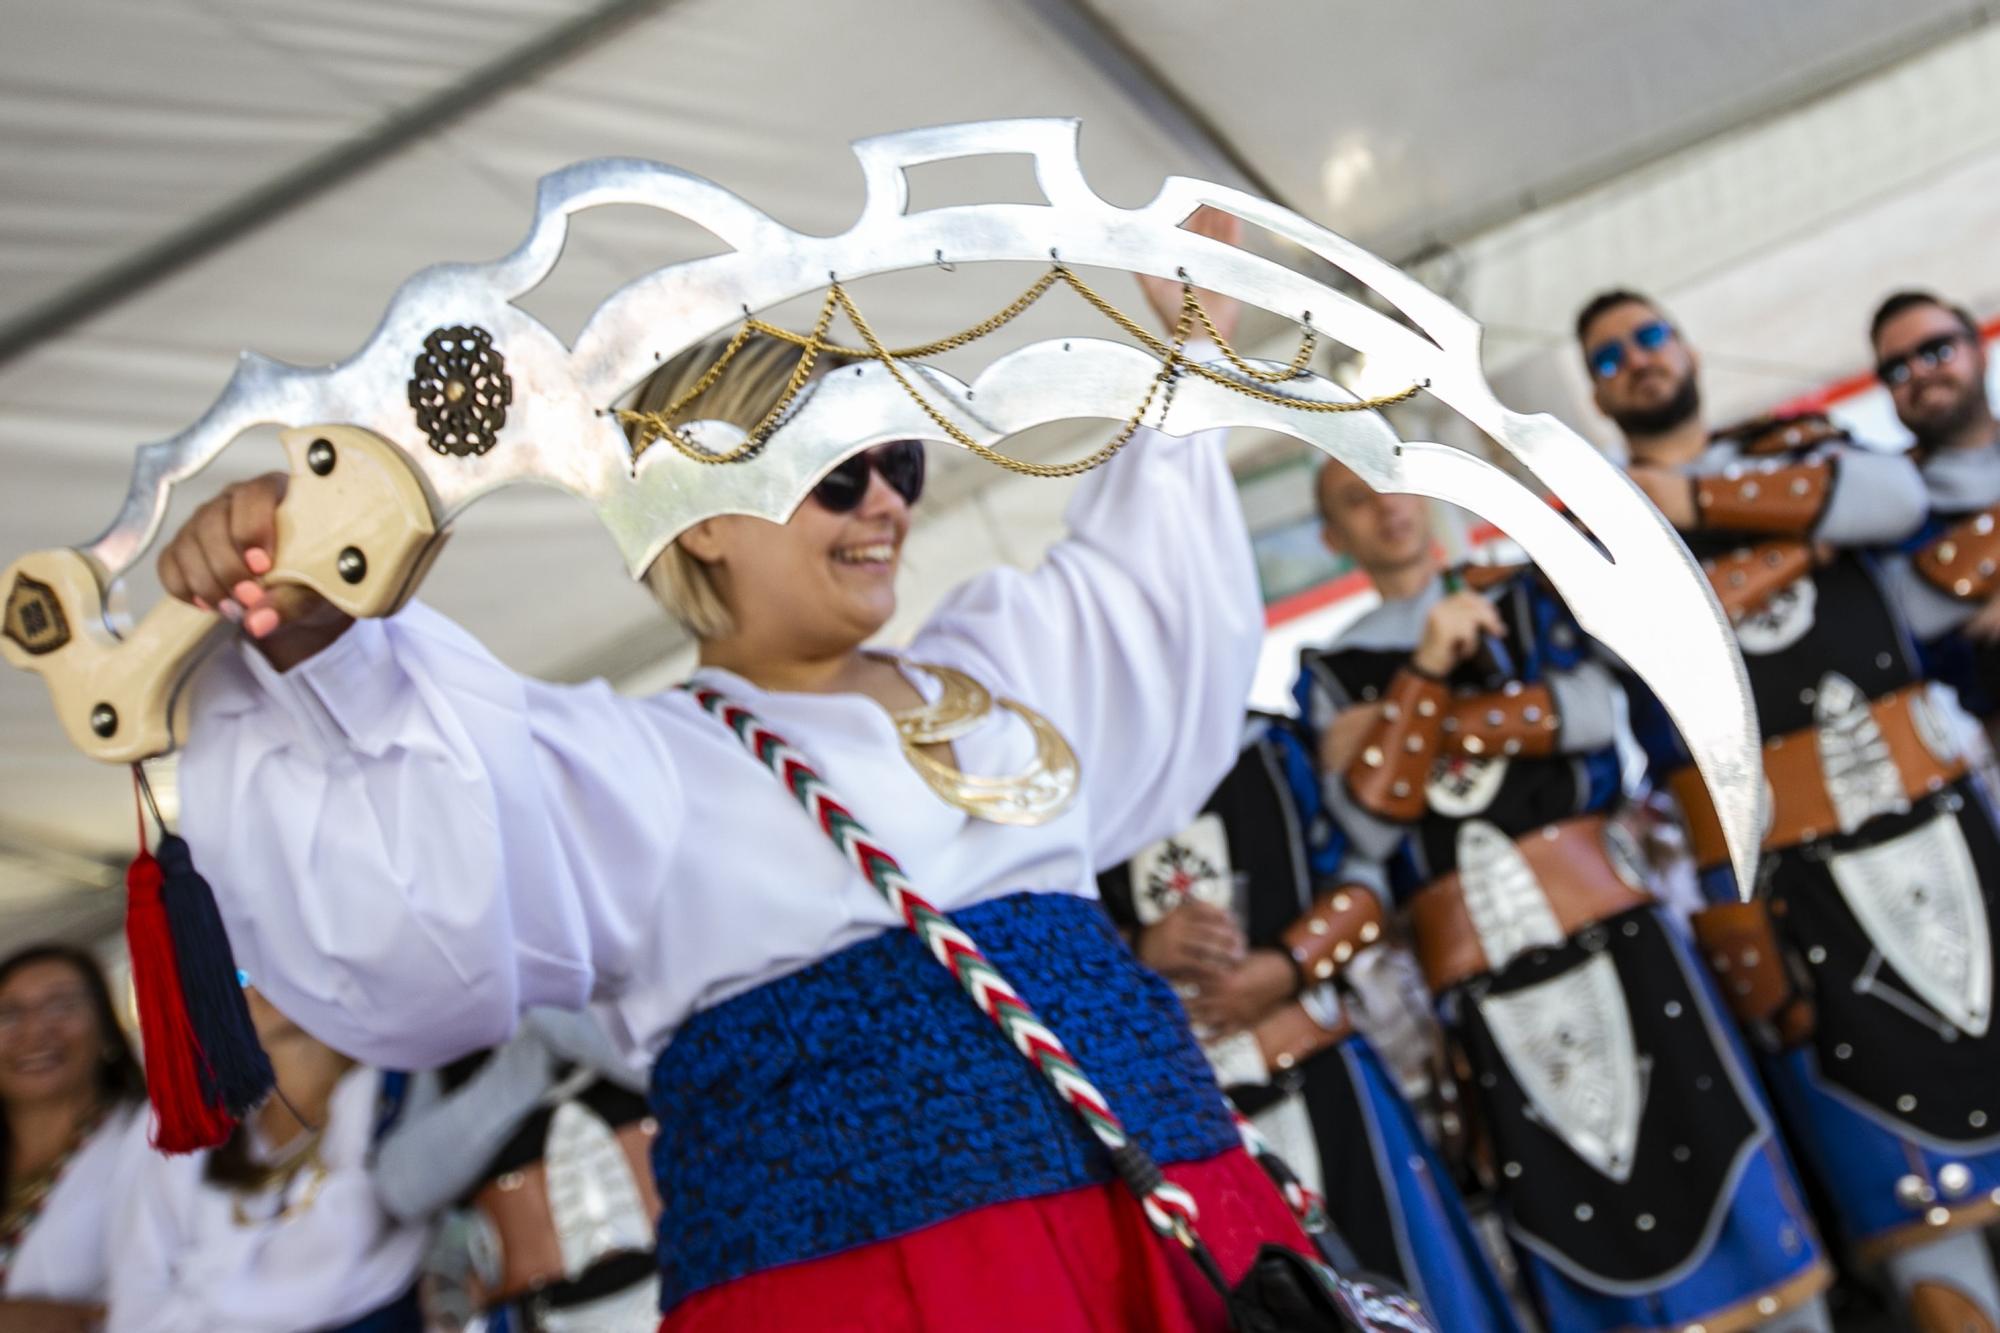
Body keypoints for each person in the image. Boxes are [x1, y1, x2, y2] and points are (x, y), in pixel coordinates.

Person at [155, 209, 1317, 1331]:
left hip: (1170, 1236)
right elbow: (431, 815)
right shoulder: (644, 770)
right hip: (873, 1299)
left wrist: (1189, 344)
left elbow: (1149, 577)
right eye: (833, 471)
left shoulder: (1007, 666)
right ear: (702, 513)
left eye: (895, 459)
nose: (882, 503)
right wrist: (313, 623)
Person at [1299, 457, 1835, 1331]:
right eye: (1354, 501)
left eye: (1387, 483)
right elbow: (1360, 833)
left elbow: (1594, 714)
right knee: (1570, 1200)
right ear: (1333, 539)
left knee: (1714, 1141)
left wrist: (1405, 727)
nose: (1385, 507)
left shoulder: (1518, 593)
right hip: (1480, 981)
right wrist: (1430, 668)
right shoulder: (1331, 667)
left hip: (1619, 931)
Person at [1579, 289, 2000, 1329]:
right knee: (1911, 1211)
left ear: (1683, 346)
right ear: (1593, 390)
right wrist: (1797, 543)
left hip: (1937, 828)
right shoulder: (1590, 522)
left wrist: (1702, 505)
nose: (1636, 359)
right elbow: (1609, 652)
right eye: (1608, 355)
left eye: (1647, 335)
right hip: (1775, 891)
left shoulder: (1801, 442)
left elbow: (1890, 503)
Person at [1098, 712, 1525, 1331]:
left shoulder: (1272, 747)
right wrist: (1135, 948)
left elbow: (1367, 879)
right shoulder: (1068, 780)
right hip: (1192, 1116)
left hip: (1326, 1077)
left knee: (1411, 1289)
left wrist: (1290, 964)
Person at [108, 989, 431, 1332]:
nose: (264, 982)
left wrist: (205, 1296)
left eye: (281, 949)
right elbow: (139, 1300)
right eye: (239, 974)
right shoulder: (184, 1120)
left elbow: (346, 1253)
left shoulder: (393, 1086)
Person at [372, 1007, 659, 1330]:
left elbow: (706, 1074)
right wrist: (523, 1066)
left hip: (686, 1278)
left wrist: (568, 1024)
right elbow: (401, 1188)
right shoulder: (436, 1025)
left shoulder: (624, 973)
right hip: (544, 1312)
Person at [1869, 291, 2000, 719]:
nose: (1920, 373)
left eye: (1936, 350)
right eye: (1896, 369)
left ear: (1979, 349)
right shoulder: (1889, 513)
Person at [0, 944, 144, 1331]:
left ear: (106, 1029)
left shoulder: (150, 1142)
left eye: (61, 1006)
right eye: (8, 1015)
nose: (34, 1032)